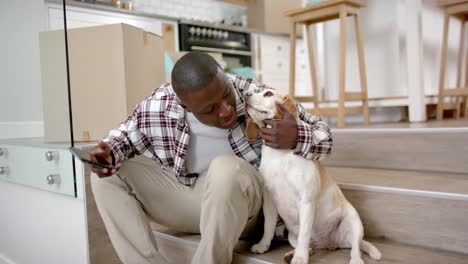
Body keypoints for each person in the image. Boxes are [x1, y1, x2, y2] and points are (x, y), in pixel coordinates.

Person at [90, 51, 332, 264]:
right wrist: (108, 153)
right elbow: (122, 138)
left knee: (225, 168)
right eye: (210, 109)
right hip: (191, 201)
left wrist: (298, 136)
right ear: (185, 106)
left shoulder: (253, 94)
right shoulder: (158, 106)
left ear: (226, 79)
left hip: (244, 209)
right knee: (106, 174)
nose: (226, 110)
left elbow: (324, 134)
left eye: (226, 94)